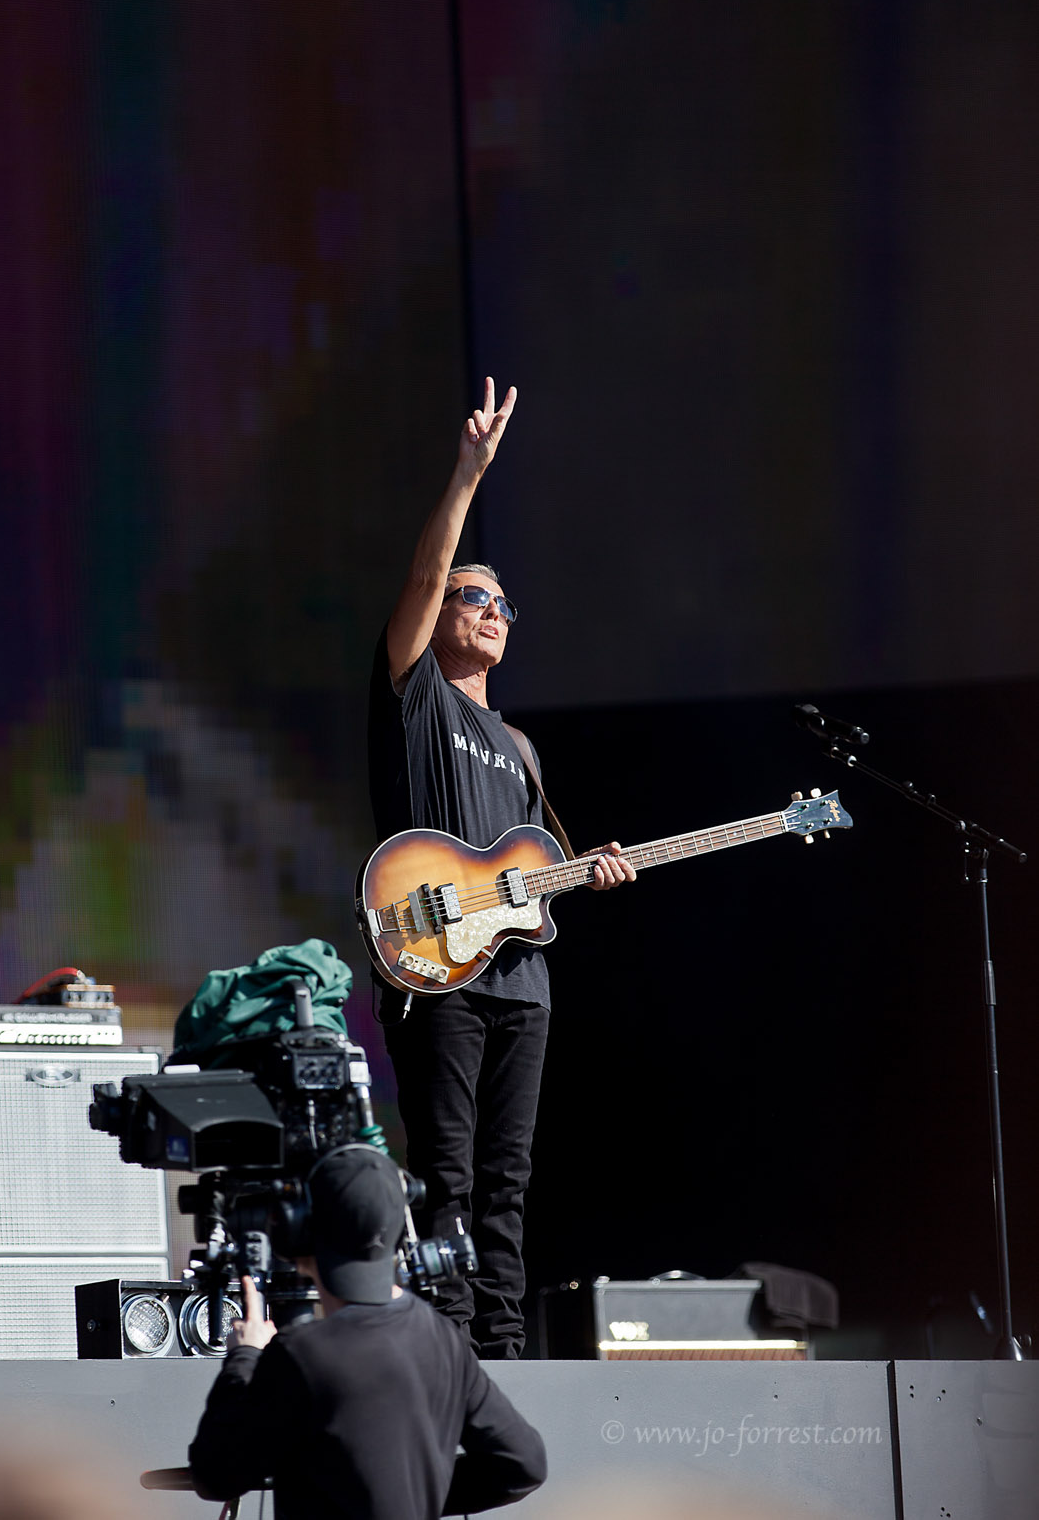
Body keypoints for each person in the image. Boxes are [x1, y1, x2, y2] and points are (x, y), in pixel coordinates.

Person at [367, 379, 636, 1359]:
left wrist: (585, 870)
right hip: (435, 962)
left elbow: (530, 867)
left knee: (509, 1178)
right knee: (448, 1170)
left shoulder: (521, 747)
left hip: (522, 979)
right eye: (471, 596)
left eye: (500, 603)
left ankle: (505, 1348)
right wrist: (468, 474)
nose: (488, 610)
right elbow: (423, 573)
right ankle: (446, 1348)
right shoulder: (417, 694)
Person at [187, 1144, 546, 1520]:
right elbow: (524, 1464)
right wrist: (415, 1494)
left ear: (301, 1230)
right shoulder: (444, 1339)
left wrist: (244, 1356)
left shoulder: (300, 1353)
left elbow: (214, 1476)